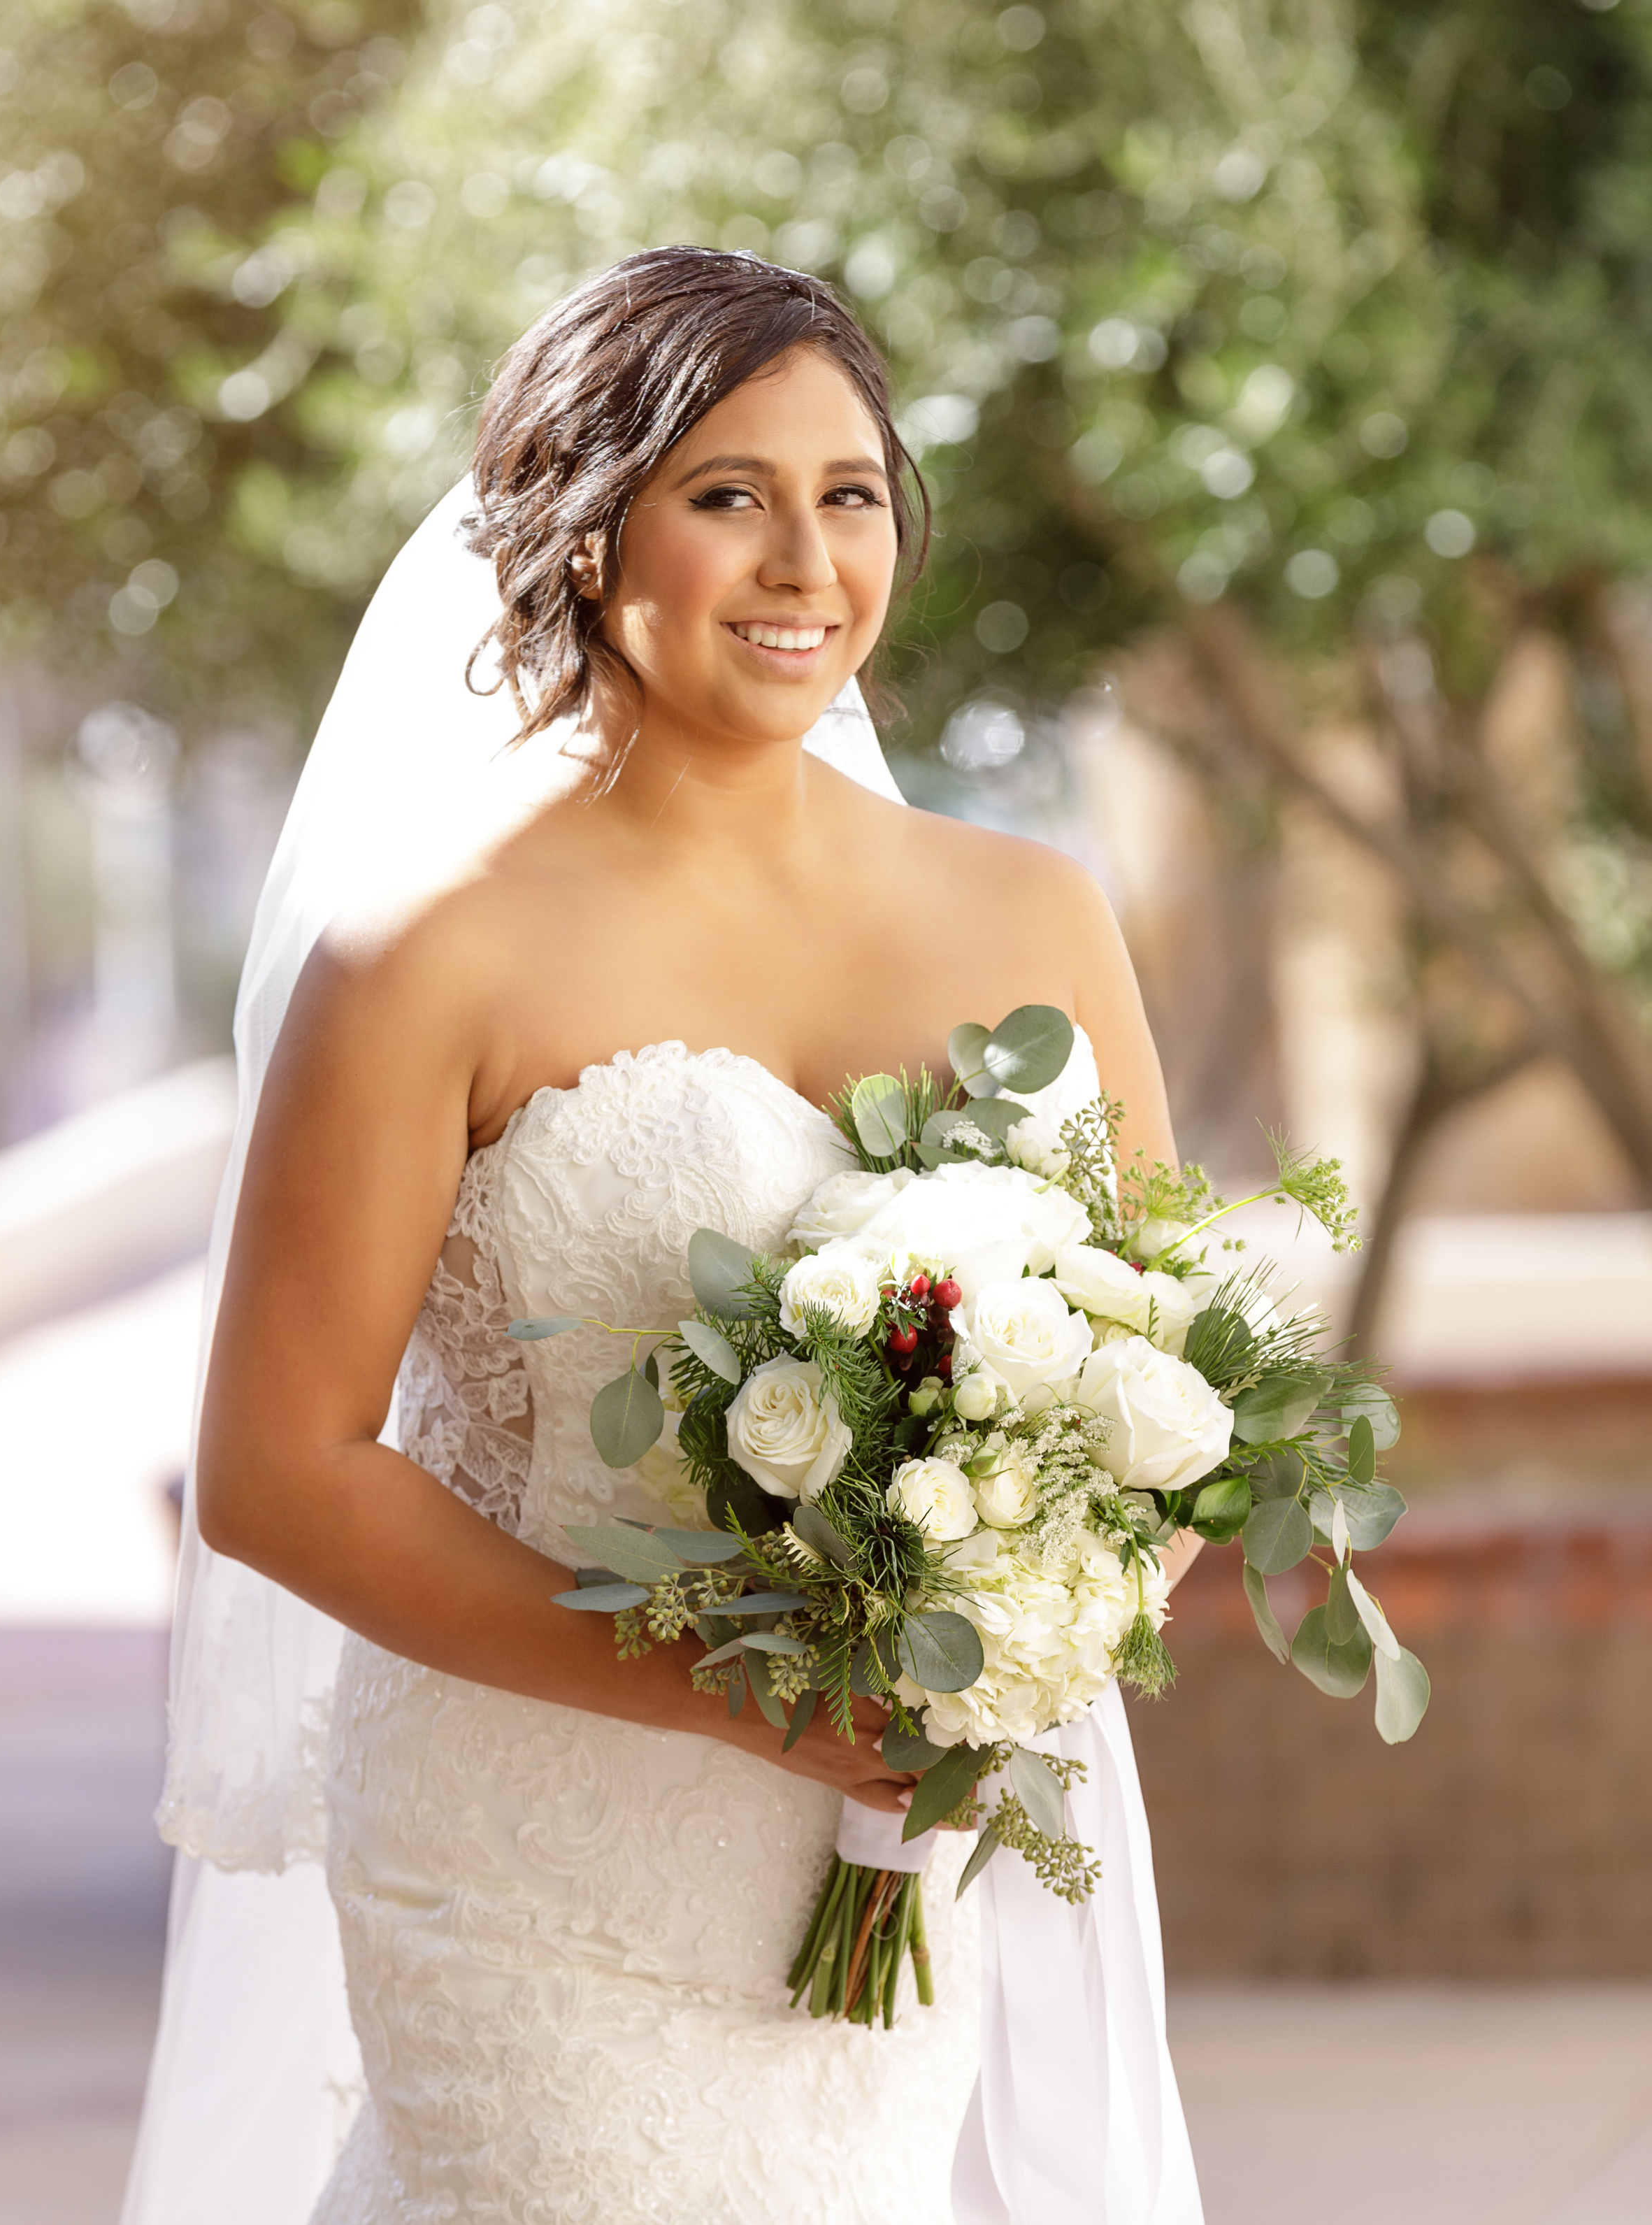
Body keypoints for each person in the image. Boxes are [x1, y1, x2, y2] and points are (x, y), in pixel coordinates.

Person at [122, 248, 1203, 2225]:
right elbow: (277, 1476)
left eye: (849, 495)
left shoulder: (1032, 917)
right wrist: (747, 1687)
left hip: (890, 1854)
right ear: (581, 523)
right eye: (730, 496)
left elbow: (1167, 1374)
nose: (806, 564)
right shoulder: (427, 945)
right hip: (543, 1861)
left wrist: (1039, 1581)